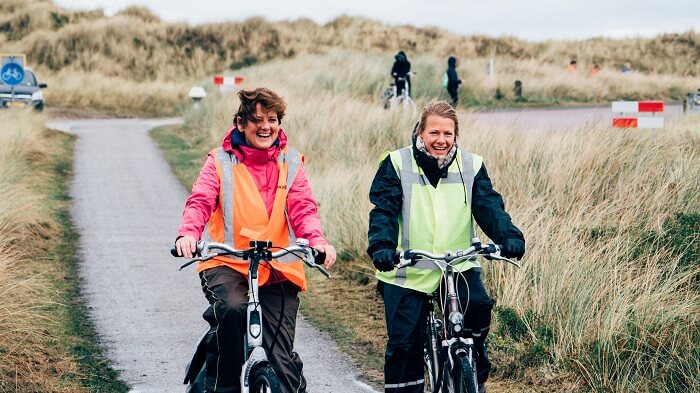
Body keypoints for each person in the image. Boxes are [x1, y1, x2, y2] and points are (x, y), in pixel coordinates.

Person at [175, 87, 337, 393]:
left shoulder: (291, 162)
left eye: (272, 119)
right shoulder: (220, 161)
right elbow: (200, 201)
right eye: (257, 119)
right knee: (233, 311)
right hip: (228, 263)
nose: (266, 126)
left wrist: (316, 240)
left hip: (278, 267)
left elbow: (303, 208)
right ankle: (221, 386)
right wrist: (189, 234)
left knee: (279, 357)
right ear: (240, 123)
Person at [367, 100, 525, 393]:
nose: (441, 140)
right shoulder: (396, 163)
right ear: (420, 133)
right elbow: (384, 210)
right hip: (406, 269)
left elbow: (489, 207)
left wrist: (509, 237)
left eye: (448, 134)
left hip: (457, 265)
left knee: (477, 306)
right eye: (434, 133)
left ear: (456, 136)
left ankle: (473, 359)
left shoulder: (471, 165)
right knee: (404, 346)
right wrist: (381, 246)